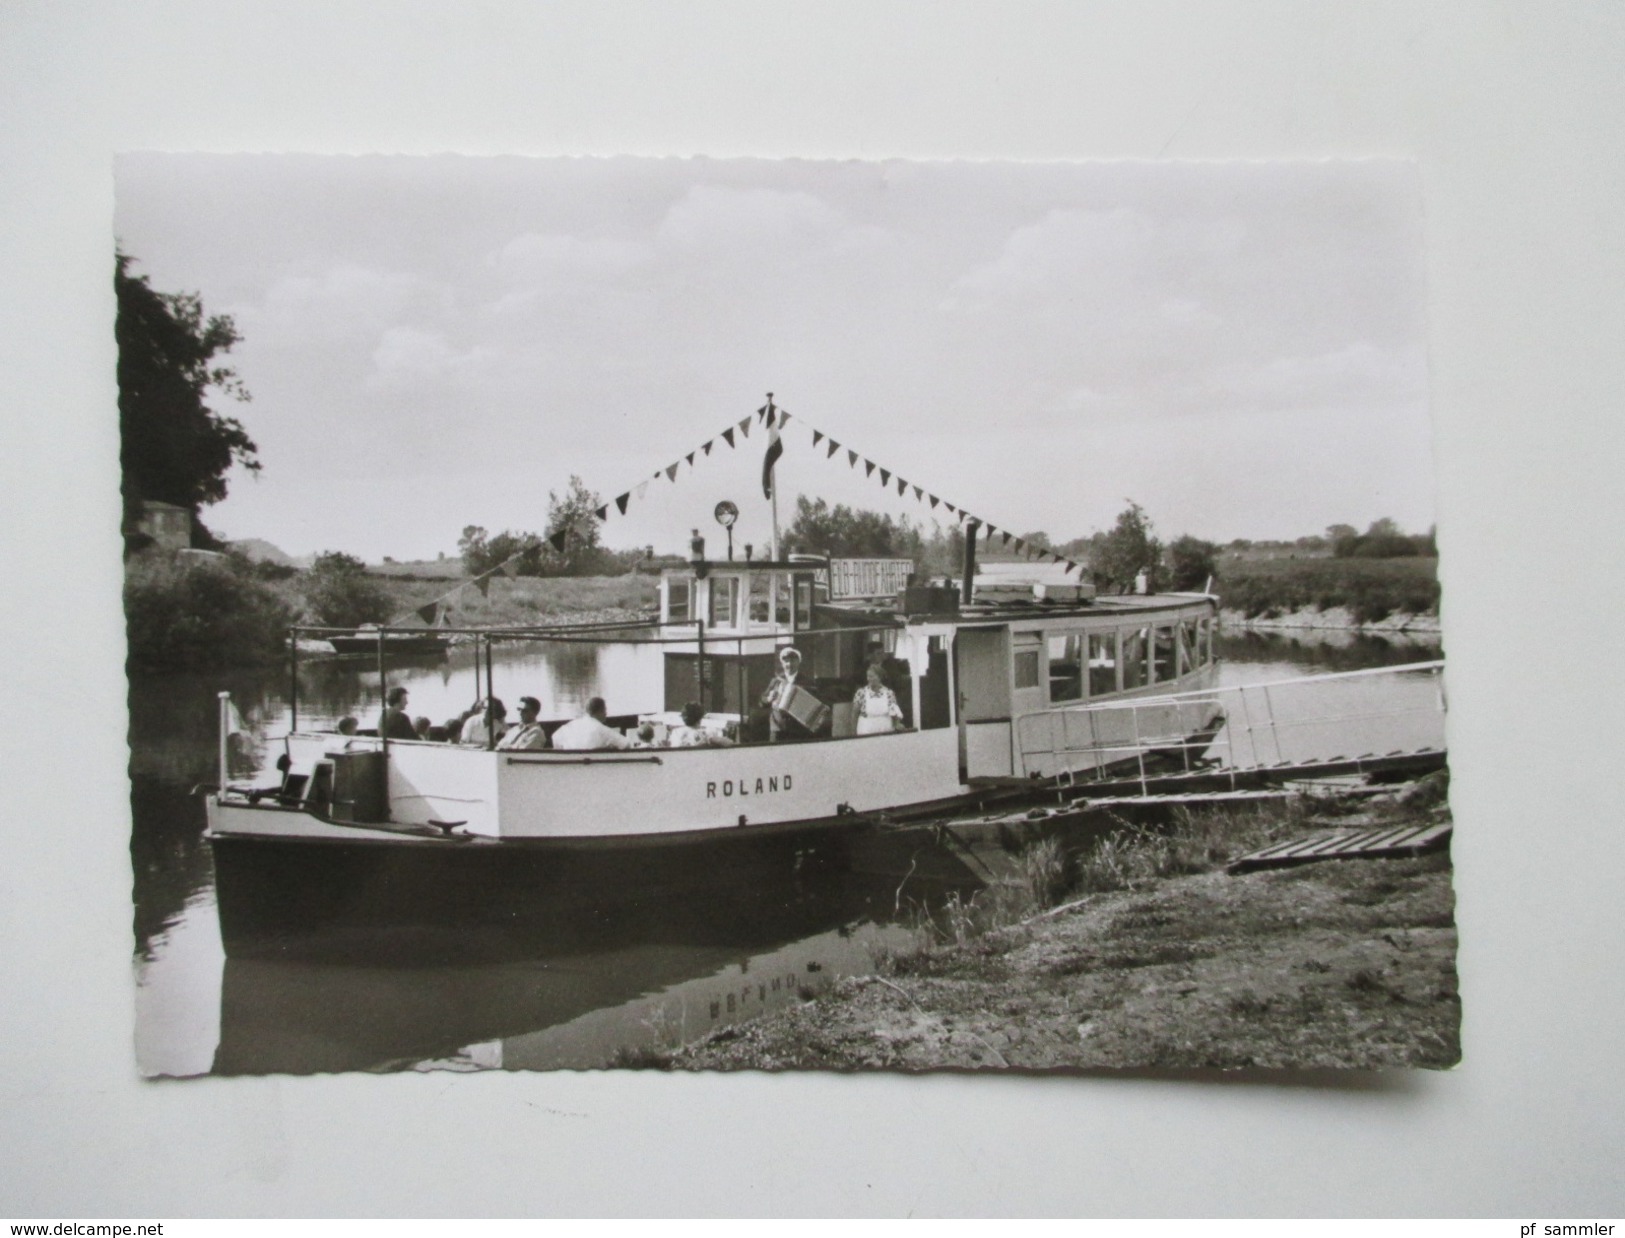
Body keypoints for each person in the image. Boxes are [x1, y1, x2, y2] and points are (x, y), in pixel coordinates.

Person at [761, 646, 824, 741]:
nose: (789, 664)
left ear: (799, 662)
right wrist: (769, 698)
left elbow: (816, 704)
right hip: (777, 729)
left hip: (798, 730)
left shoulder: (807, 682)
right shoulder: (776, 681)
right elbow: (762, 701)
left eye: (793, 661)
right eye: (786, 661)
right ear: (782, 664)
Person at [550, 697, 630, 751]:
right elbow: (626, 744)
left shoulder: (571, 725)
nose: (606, 713)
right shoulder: (601, 729)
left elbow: (554, 737)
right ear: (600, 711)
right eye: (605, 710)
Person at [852, 664, 905, 736]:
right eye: (868, 676)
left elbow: (894, 712)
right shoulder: (861, 693)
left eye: (871, 676)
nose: (868, 679)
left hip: (885, 729)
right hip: (866, 730)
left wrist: (897, 724)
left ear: (879, 677)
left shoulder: (889, 693)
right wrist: (853, 733)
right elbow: (855, 714)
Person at [668, 701, 733, 748]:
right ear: (700, 719)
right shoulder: (701, 735)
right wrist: (711, 738)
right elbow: (728, 742)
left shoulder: (675, 732)